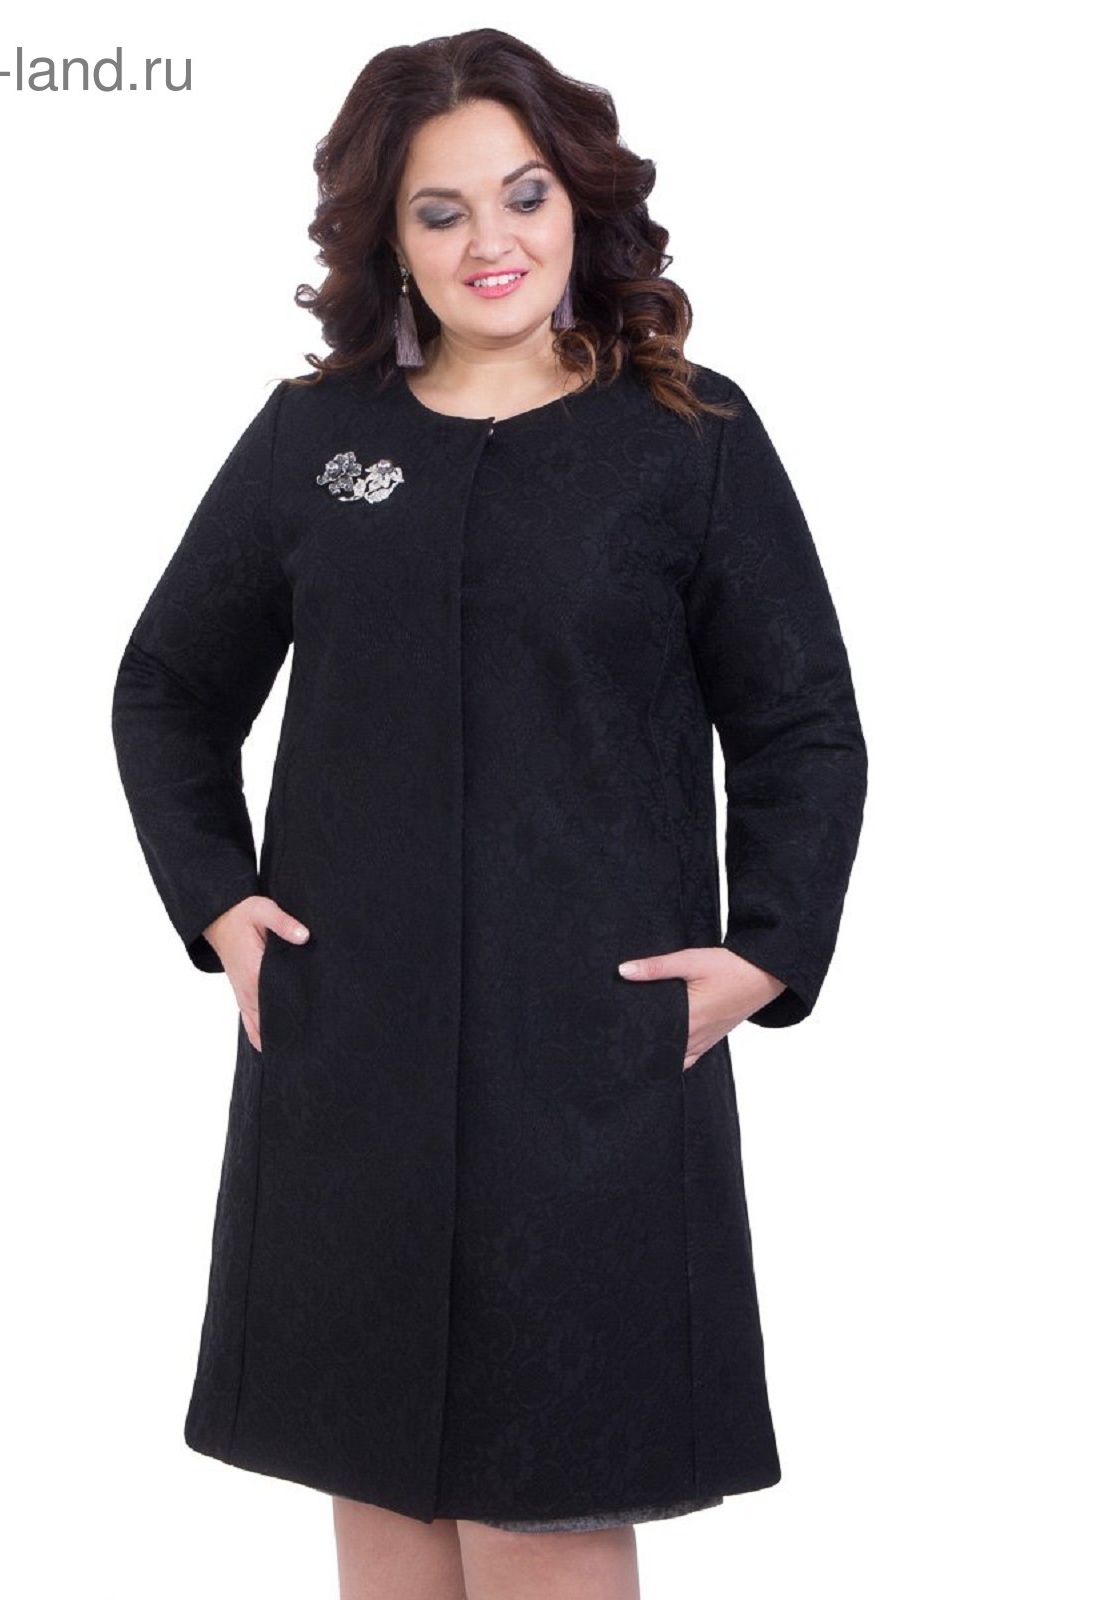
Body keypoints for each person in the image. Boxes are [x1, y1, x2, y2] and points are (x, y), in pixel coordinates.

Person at [111, 28, 868, 1600]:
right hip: (352, 1062)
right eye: (440, 210)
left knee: (551, 1508)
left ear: (580, 202)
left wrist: (766, 951)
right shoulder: (319, 441)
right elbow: (168, 688)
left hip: (590, 1066)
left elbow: (800, 721)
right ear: (388, 238)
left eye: (523, 195)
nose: (490, 241)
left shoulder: (688, 438)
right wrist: (218, 902)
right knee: (378, 1495)